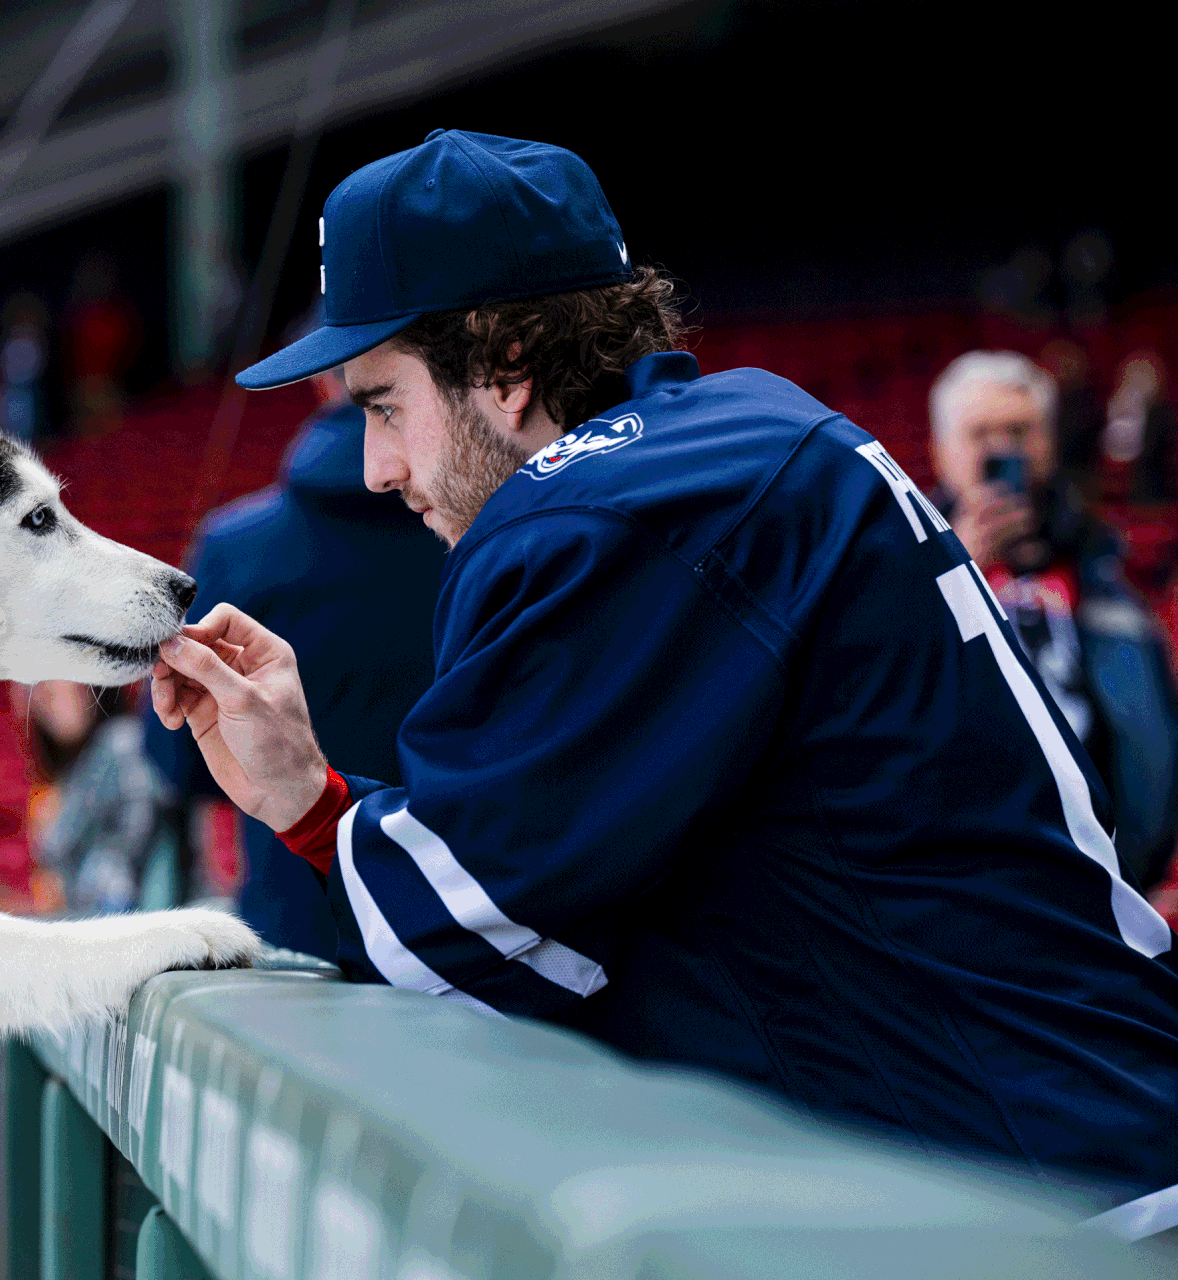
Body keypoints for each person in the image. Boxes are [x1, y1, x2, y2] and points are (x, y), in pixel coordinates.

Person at [150, 129, 1178, 1235]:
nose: (376, 468)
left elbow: (468, 935)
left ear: (506, 363)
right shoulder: (739, 433)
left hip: (1049, 1190)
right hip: (1075, 1127)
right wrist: (307, 792)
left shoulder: (611, 506)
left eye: (384, 403)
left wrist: (312, 808)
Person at [147, 315, 445, 956]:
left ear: (320, 383)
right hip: (469, 930)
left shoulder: (236, 545)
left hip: (297, 932)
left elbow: (177, 759)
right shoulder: (489, 537)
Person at [927, 350, 1178, 886]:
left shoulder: (1107, 562)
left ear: (1049, 440)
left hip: (1101, 865)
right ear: (940, 452)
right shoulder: (902, 572)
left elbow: (1151, 740)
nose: (1003, 450)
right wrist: (955, 570)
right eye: (981, 434)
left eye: (1020, 432)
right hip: (966, 867)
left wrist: (1135, 875)